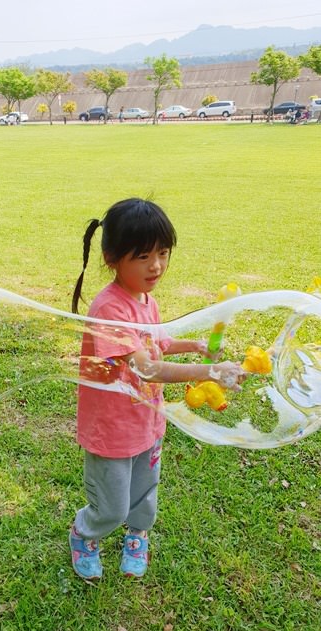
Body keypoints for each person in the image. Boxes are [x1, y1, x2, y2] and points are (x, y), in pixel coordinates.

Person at [69, 198, 247, 580]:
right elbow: (145, 368)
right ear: (112, 257)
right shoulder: (109, 310)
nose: (157, 266)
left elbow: (158, 342)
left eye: (163, 253)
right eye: (144, 255)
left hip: (146, 420)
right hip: (112, 429)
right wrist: (210, 370)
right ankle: (85, 533)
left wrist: (196, 346)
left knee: (144, 494)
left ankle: (137, 535)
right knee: (111, 505)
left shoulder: (145, 300)